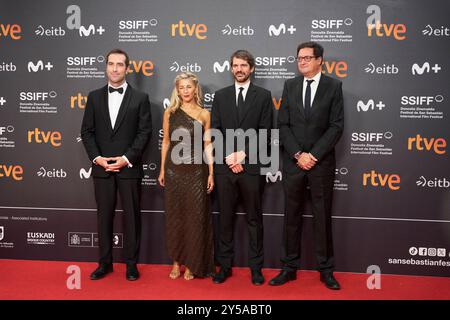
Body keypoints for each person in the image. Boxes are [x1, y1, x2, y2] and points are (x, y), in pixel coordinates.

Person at [269, 41, 344, 290]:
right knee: (291, 217)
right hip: (294, 163)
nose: (301, 61)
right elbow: (283, 125)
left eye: (307, 58)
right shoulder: (290, 86)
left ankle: (326, 270)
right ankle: (288, 268)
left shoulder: (333, 86)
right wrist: (298, 154)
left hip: (321, 164)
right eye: (299, 58)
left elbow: (336, 126)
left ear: (320, 60)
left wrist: (313, 155)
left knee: (322, 217)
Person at [81, 48, 152, 281]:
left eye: (120, 64)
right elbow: (87, 131)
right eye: (111, 64)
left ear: (127, 68)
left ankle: (131, 264)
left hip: (129, 168)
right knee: (104, 217)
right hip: (102, 168)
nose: (114, 68)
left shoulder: (140, 98)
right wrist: (97, 158)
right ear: (106, 67)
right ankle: (105, 263)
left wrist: (126, 158)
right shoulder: (93, 97)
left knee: (132, 216)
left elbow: (144, 132)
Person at [211, 50, 273, 285]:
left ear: (252, 68)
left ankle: (256, 268)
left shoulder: (264, 96)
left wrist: (243, 155)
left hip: (252, 167)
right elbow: (215, 131)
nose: (239, 69)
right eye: (235, 65)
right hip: (226, 168)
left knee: (254, 220)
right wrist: (229, 157)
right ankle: (224, 266)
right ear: (231, 68)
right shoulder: (221, 96)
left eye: (243, 65)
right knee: (225, 219)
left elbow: (266, 132)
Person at [158, 72, 215, 280]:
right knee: (176, 217)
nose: (185, 91)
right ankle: (176, 262)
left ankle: (192, 263)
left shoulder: (204, 114)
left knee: (195, 218)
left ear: (195, 89)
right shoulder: (170, 113)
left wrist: (211, 173)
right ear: (177, 90)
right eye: (181, 87)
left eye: (188, 87)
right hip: (174, 171)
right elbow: (166, 143)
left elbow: (207, 144)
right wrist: (163, 169)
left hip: (197, 172)